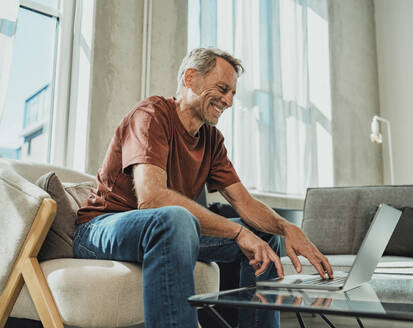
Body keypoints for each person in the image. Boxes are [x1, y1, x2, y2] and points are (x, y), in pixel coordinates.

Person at [74, 47, 333, 328]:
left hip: (170, 231)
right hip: (100, 229)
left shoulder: (212, 140)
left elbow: (244, 203)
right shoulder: (151, 115)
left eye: (233, 93)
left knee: (263, 236)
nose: (229, 101)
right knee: (175, 218)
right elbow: (152, 199)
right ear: (190, 78)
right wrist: (236, 231)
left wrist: (285, 228)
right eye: (223, 89)